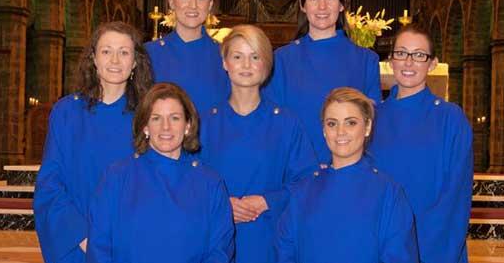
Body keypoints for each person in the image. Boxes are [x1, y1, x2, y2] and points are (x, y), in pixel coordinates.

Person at [34, 21, 153, 263]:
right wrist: (83, 236)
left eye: (124, 52)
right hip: (77, 242)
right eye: (106, 51)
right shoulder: (66, 111)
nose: (115, 60)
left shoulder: (149, 115)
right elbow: (50, 183)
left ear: (135, 62)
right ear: (94, 59)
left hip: (132, 242)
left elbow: (157, 180)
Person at [200, 25, 318, 263]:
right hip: (214, 241)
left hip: (269, 239)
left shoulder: (286, 123)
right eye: (237, 56)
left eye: (255, 57)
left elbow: (307, 181)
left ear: (266, 64)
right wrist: (222, 204)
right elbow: (189, 183)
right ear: (225, 63)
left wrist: (268, 201)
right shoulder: (205, 123)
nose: (246, 65)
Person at [86, 83, 234, 263]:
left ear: (187, 125)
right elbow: (99, 248)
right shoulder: (116, 177)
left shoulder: (210, 183)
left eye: (174, 118)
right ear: (145, 127)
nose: (166, 127)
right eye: (156, 118)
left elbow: (220, 251)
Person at [276, 87, 419, 263]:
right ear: (323, 131)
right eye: (332, 123)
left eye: (350, 122)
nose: (340, 132)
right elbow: (285, 251)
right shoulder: (303, 190)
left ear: (367, 127)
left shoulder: (388, 192)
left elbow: (399, 256)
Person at [369, 25, 473, 263]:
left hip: (434, 244)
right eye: (402, 53)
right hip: (381, 244)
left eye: (419, 55)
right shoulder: (373, 117)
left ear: (432, 63)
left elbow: (455, 195)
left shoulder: (450, 118)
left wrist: (424, 249)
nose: (408, 62)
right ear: (391, 60)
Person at [264, 0, 381, 165]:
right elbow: (274, 122)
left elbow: (370, 123)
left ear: (342, 4)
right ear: (303, 5)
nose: (322, 6)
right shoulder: (281, 60)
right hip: (296, 169)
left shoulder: (366, 60)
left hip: (348, 169)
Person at [145, 0, 230, 115]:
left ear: (210, 3)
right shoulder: (148, 54)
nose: (193, 5)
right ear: (172, 2)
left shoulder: (225, 56)